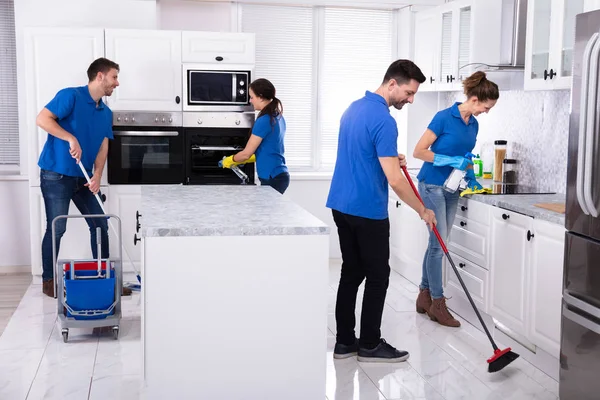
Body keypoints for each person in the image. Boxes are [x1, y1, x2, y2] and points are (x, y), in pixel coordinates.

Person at [326, 59, 437, 363]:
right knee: (379, 276)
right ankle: (371, 345)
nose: (411, 99)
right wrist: (422, 210)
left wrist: (389, 155)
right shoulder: (385, 120)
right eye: (409, 92)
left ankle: (345, 342)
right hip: (367, 210)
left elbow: (361, 152)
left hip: (341, 204)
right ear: (392, 84)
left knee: (351, 272)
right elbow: (396, 181)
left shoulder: (354, 108)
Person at [36, 57, 131, 297]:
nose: (117, 83)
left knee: (100, 225)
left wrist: (97, 174)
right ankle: (49, 281)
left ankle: (104, 278)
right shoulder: (70, 96)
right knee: (57, 228)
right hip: (56, 174)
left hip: (84, 178)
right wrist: (70, 137)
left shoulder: (105, 112)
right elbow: (42, 119)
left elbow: (102, 146)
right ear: (100, 76)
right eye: (114, 77)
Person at [413, 71, 499, 327]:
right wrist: (448, 160)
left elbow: (466, 155)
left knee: (437, 243)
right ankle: (438, 304)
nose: (487, 111)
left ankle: (424, 294)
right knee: (439, 246)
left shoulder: (473, 124)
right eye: (486, 106)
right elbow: (419, 151)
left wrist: (471, 177)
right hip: (431, 185)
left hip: (452, 188)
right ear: (474, 99)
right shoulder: (443, 117)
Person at [220, 78, 290, 194]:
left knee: (266, 211)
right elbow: (269, 149)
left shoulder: (264, 120)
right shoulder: (278, 117)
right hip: (279, 174)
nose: (250, 101)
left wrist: (229, 160)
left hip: (272, 177)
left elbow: (246, 154)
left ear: (261, 97)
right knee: (269, 211)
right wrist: (242, 159)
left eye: (252, 97)